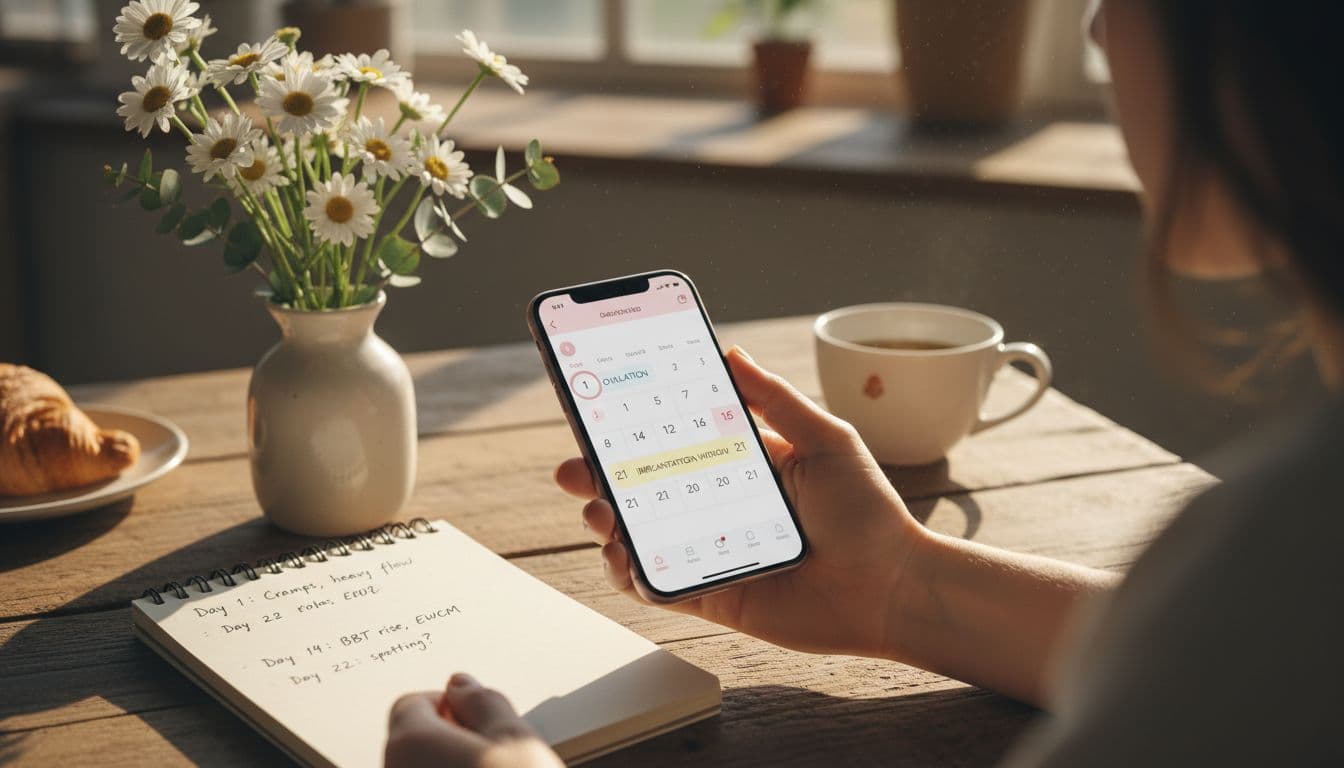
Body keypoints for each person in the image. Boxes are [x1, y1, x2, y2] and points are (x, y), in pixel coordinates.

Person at [385, 1, 1344, 765]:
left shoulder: (1282, 546)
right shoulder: (1269, 571)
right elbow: (1234, 661)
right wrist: (899, 586)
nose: (1096, 27)